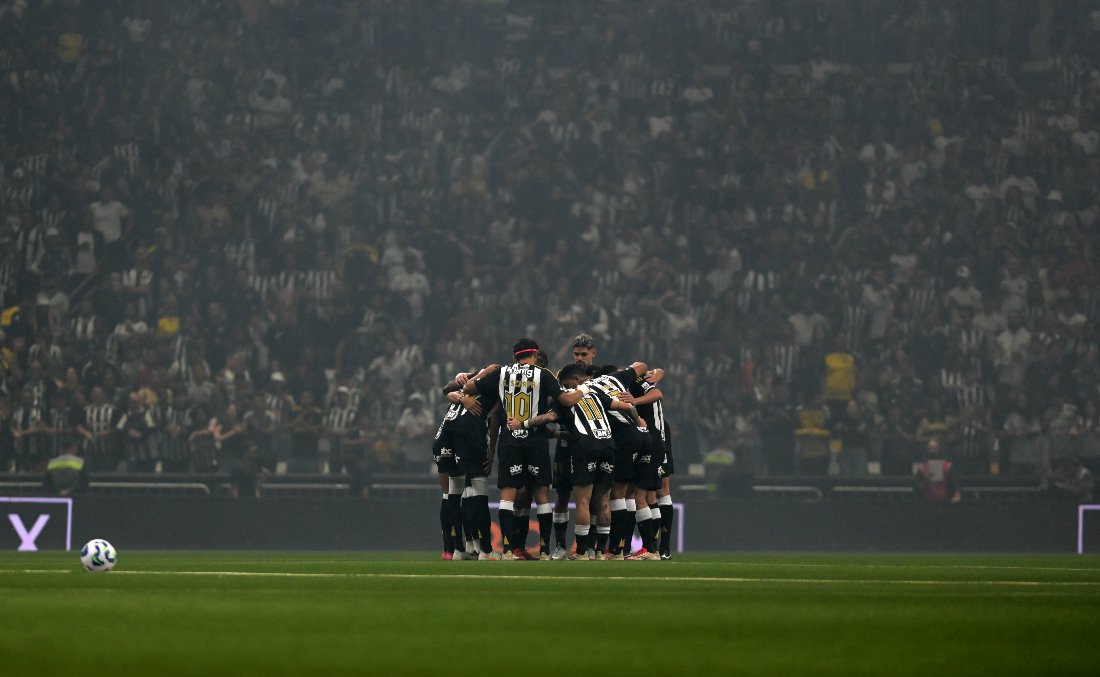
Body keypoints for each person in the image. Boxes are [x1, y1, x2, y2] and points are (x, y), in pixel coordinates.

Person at [463, 338, 588, 560]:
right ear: (536, 354)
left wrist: (483, 372)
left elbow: (469, 387)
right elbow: (567, 401)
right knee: (541, 494)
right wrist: (586, 388)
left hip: (509, 440)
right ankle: (544, 550)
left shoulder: (501, 374)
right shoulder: (544, 374)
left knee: (508, 495)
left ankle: (509, 550)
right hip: (535, 440)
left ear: (514, 356)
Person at [552, 363, 641, 559]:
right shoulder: (596, 392)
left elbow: (551, 416)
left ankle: (583, 551)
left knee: (583, 500)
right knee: (602, 500)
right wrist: (638, 422)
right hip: (608, 445)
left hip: (585, 447)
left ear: (572, 380)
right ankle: (601, 550)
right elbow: (625, 405)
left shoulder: (566, 396)